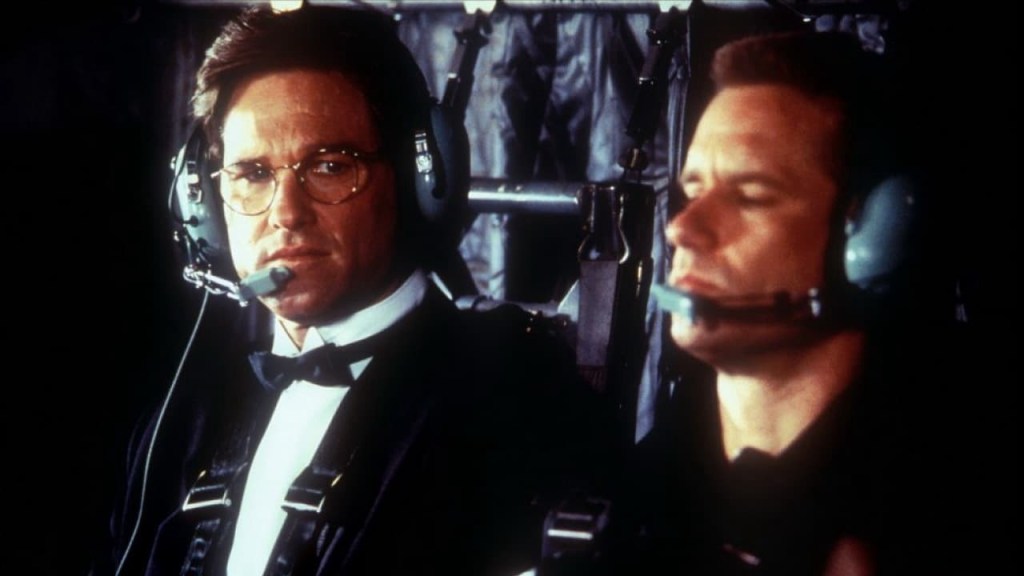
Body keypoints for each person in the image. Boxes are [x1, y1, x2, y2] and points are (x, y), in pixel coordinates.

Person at [101, 6, 602, 576]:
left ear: (418, 181)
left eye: (330, 166)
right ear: (206, 205)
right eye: (253, 174)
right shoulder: (181, 420)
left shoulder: (518, 404)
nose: (286, 214)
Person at [620, 31, 952, 575]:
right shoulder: (632, 497)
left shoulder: (937, 511)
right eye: (693, 190)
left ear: (874, 237)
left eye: (750, 195)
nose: (682, 228)